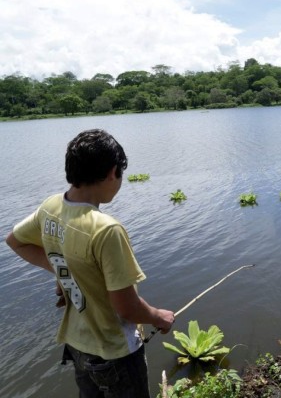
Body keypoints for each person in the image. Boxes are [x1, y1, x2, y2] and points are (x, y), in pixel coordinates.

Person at [5, 129, 175, 397]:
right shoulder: (107, 230)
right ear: (111, 172)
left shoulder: (50, 207)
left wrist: (65, 274)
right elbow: (127, 309)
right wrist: (159, 317)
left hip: (78, 347)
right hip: (115, 354)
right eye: (120, 174)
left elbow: (15, 241)